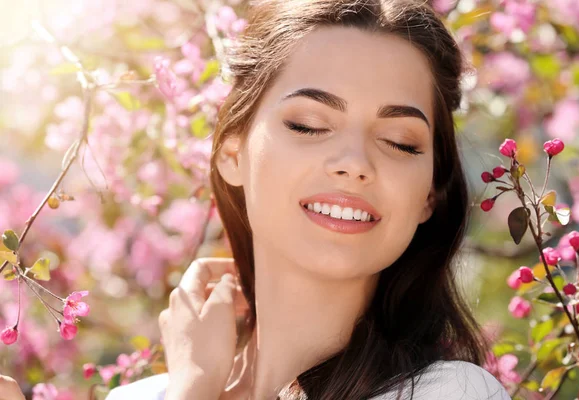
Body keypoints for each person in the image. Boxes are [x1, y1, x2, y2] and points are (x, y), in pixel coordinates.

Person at [0, 0, 513, 399]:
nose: (355, 162)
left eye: (400, 141)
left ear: (429, 193)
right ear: (232, 153)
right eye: (309, 125)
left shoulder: (452, 392)